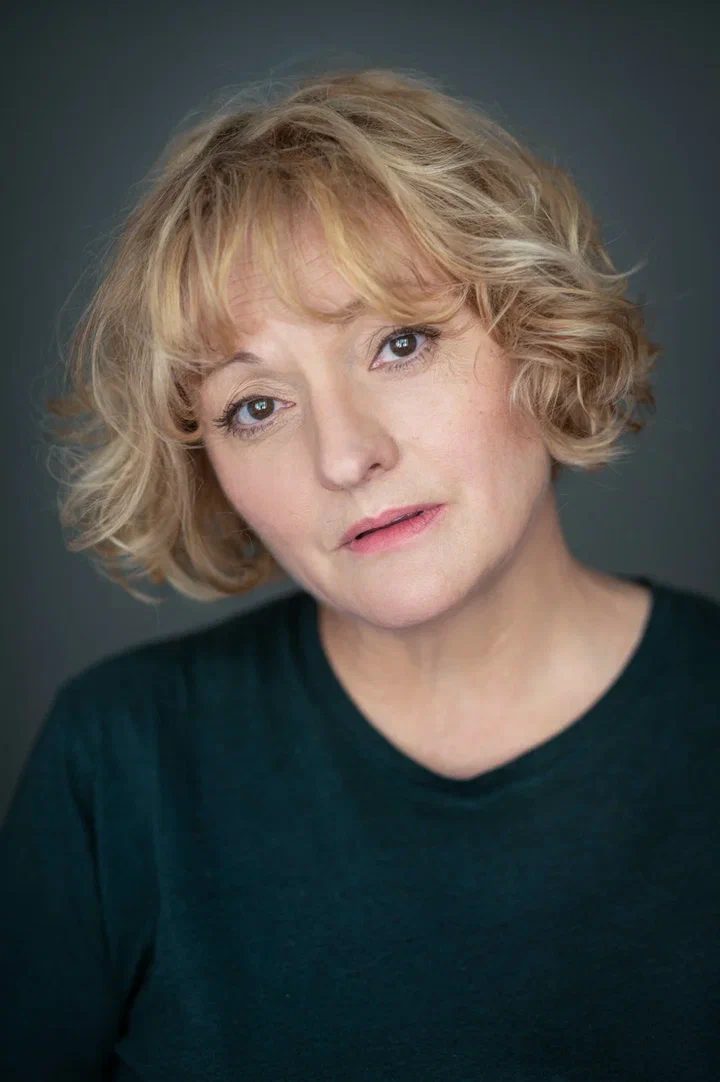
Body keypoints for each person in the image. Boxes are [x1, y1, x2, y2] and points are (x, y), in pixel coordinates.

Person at [0, 67, 718, 1081]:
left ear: (538, 335)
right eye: (256, 406)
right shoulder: (119, 762)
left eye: (400, 342)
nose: (343, 455)